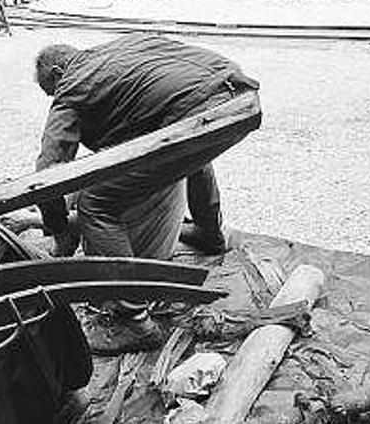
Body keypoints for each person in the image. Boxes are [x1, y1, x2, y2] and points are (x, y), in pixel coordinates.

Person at [33, 35, 260, 338]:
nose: (55, 98)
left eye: (51, 91)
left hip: (200, 111)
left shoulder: (72, 86)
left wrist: (58, 226)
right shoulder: (118, 48)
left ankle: (134, 318)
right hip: (239, 93)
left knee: (96, 205)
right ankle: (211, 234)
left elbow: (48, 174)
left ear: (58, 74)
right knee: (190, 153)